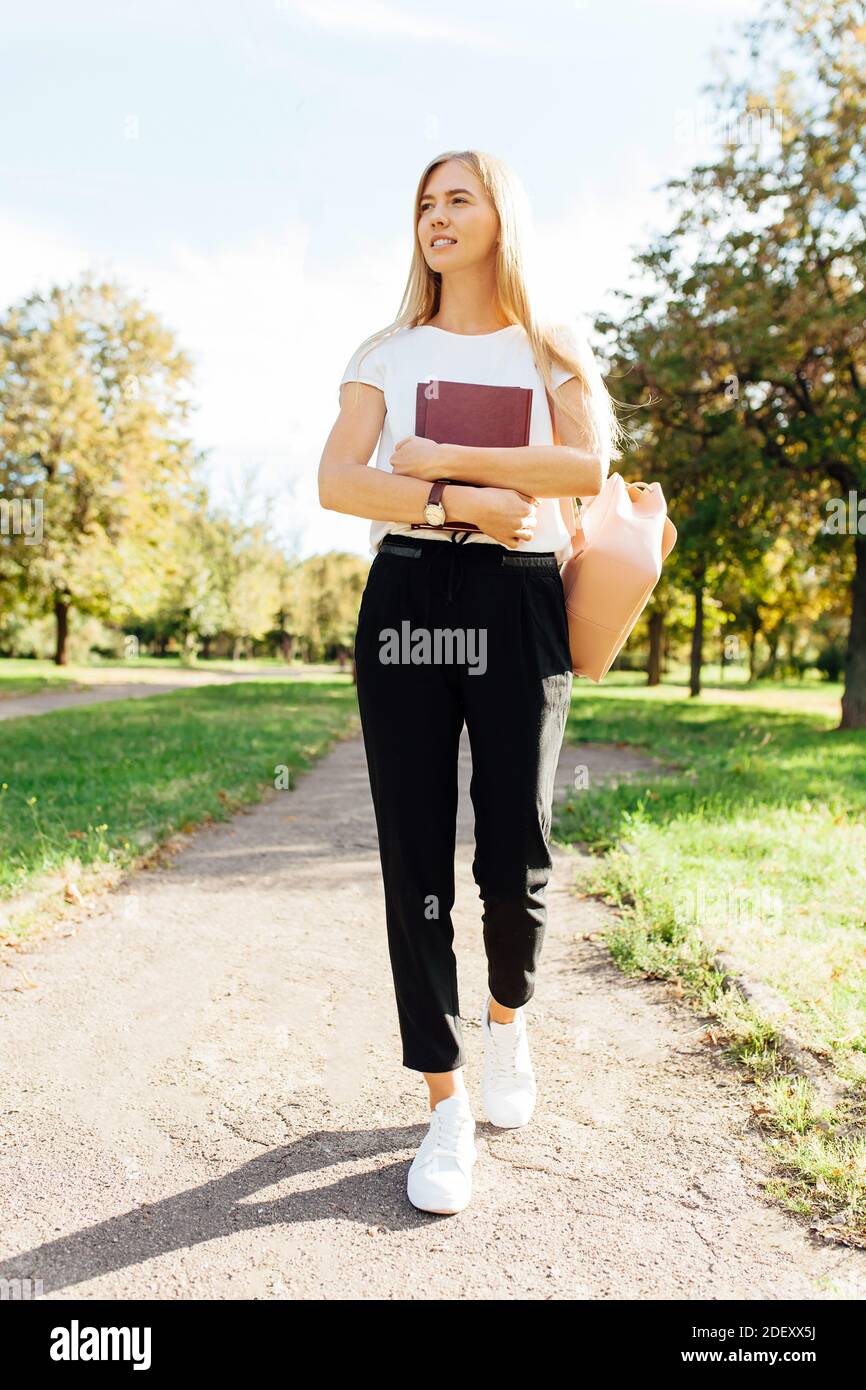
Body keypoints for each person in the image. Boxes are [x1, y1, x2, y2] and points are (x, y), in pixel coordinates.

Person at [318, 149, 624, 1214]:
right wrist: (455, 506)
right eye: (423, 204)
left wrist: (437, 458)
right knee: (413, 852)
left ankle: (507, 1015)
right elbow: (340, 478)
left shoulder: (549, 347)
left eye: (457, 199)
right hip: (407, 590)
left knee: (515, 842)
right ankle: (443, 1101)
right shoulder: (384, 349)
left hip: (522, 597)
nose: (434, 218)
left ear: (502, 214)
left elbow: (583, 470)